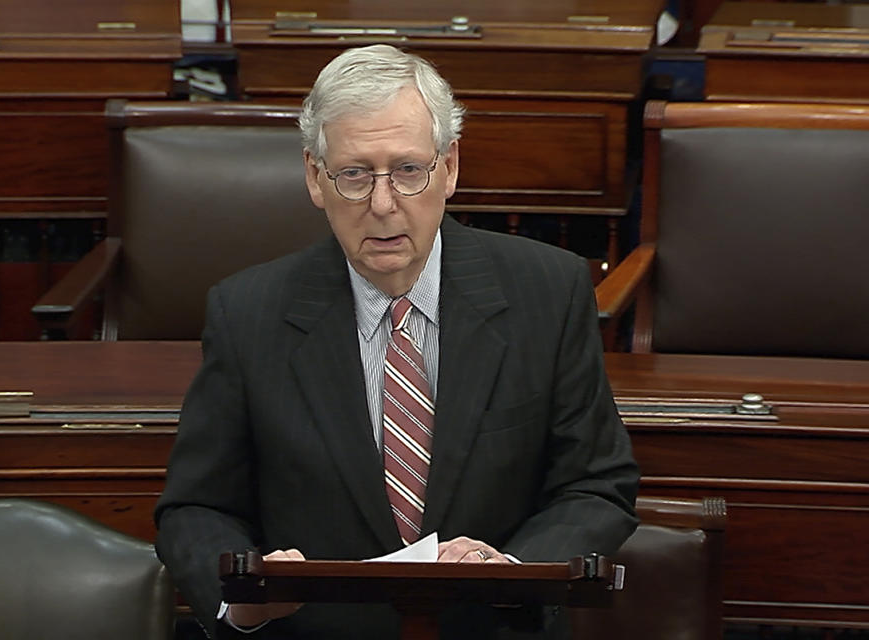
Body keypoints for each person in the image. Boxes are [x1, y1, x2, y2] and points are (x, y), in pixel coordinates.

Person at [154, 44, 639, 640]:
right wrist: (243, 600)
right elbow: (196, 508)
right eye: (354, 174)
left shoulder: (549, 291)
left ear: (450, 167)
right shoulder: (247, 313)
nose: (383, 206)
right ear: (314, 176)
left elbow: (595, 484)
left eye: (408, 170)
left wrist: (511, 572)